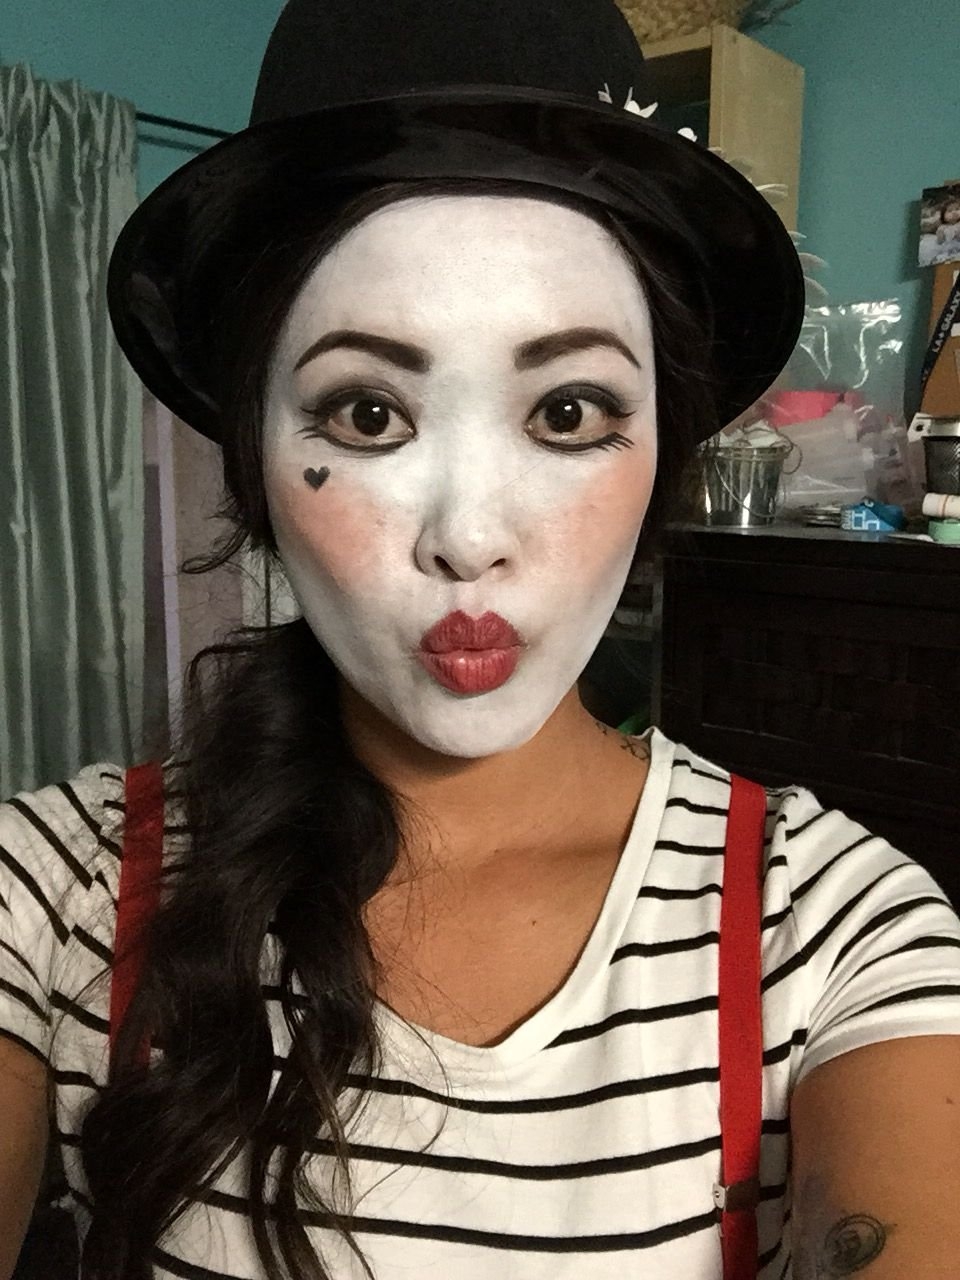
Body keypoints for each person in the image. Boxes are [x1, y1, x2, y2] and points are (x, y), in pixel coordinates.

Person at [2, 2, 960, 1278]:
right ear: (255, 463)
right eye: (366, 412)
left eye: (567, 412)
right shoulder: (56, 891)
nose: (467, 537)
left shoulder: (835, 932)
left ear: (664, 452)